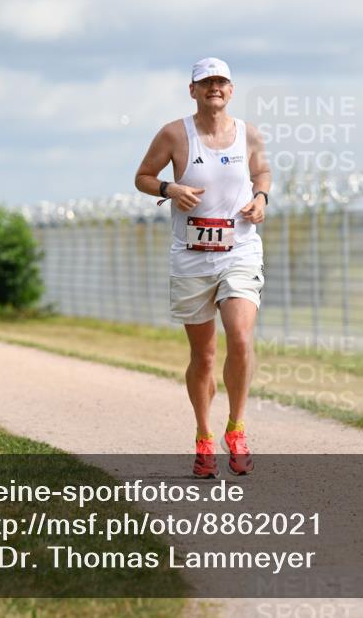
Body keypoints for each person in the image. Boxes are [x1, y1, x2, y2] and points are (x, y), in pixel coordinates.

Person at [134, 57, 271, 478]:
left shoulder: (247, 133)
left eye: (222, 82)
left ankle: (237, 428)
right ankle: (203, 435)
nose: (215, 87)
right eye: (206, 82)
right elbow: (142, 176)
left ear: (231, 90)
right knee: (205, 356)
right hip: (191, 255)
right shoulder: (176, 133)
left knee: (242, 338)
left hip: (239, 250)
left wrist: (261, 199)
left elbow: (262, 170)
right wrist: (169, 188)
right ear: (192, 90)